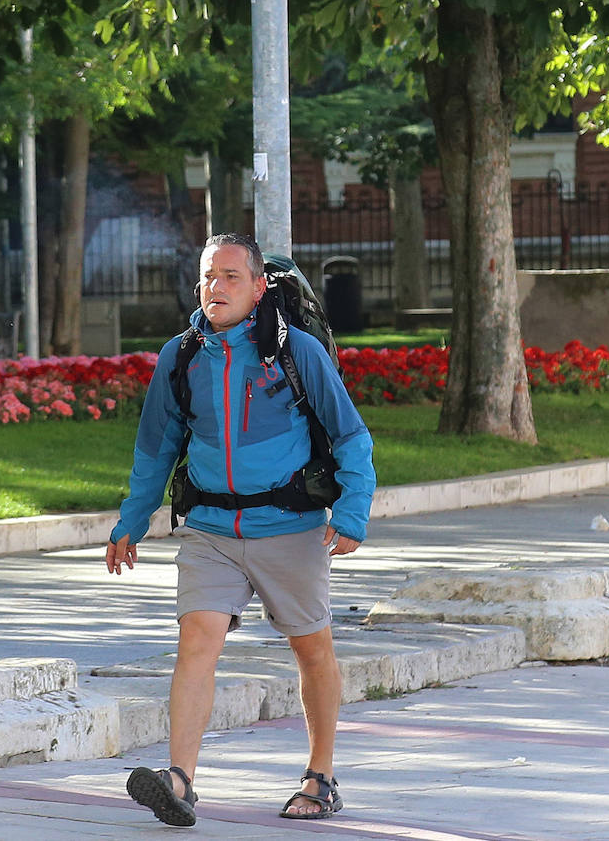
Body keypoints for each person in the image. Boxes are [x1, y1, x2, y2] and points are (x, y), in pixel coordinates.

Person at [105, 232, 375, 826]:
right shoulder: (180, 357)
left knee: (311, 648)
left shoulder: (296, 352)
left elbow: (352, 435)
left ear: (258, 287)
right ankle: (179, 779)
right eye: (207, 276)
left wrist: (353, 512)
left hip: (290, 526)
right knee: (197, 639)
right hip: (210, 530)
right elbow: (156, 449)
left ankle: (321, 775)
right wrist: (132, 520)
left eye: (231, 276)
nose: (216, 287)